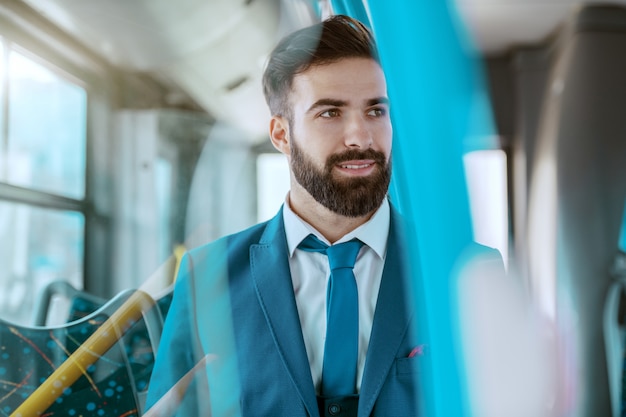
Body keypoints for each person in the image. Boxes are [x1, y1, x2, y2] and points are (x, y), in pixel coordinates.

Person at [145, 14, 501, 417]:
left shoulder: (467, 269)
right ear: (281, 135)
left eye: (376, 111)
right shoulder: (206, 276)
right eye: (330, 113)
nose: (360, 137)